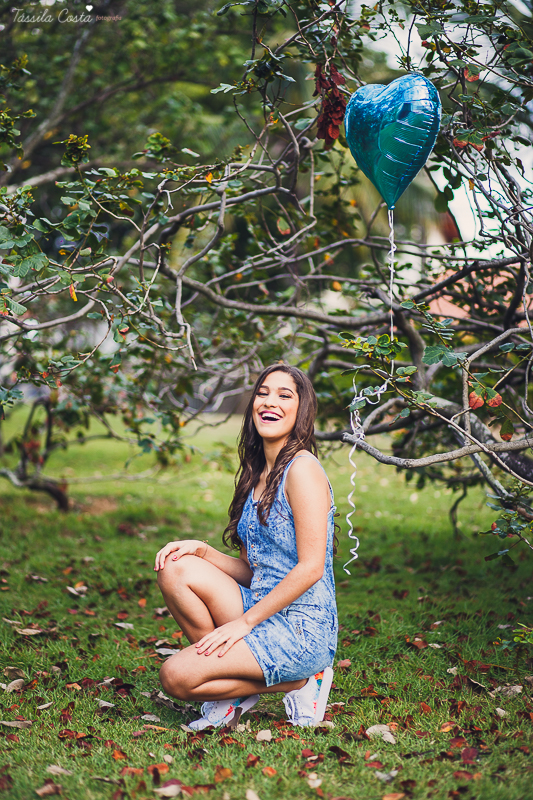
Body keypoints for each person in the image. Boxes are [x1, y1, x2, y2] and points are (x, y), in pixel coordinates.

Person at [154, 364, 338, 728]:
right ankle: (230, 692)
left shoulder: (303, 470)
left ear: (301, 410)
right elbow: (255, 571)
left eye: (284, 395)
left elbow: (311, 567)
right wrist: (203, 552)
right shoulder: (257, 473)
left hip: (301, 627)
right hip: (263, 604)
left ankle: (305, 679)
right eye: (263, 393)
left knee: (175, 676)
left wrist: (244, 624)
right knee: (176, 567)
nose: (270, 402)